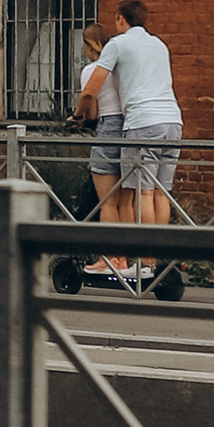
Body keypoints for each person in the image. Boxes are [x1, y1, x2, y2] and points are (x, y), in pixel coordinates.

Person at [87, 0, 183, 283]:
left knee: (142, 194)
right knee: (161, 193)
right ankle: (158, 257)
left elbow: (93, 86)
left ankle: (145, 261)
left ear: (119, 19)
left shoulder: (118, 43)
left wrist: (80, 112)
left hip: (142, 122)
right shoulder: (160, 45)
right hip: (173, 122)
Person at [73, 19, 125, 269]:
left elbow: (92, 112)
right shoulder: (121, 68)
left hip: (107, 129)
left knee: (107, 202)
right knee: (128, 201)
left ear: (88, 45)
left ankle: (109, 258)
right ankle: (128, 259)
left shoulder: (91, 71)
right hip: (130, 127)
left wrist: (76, 117)